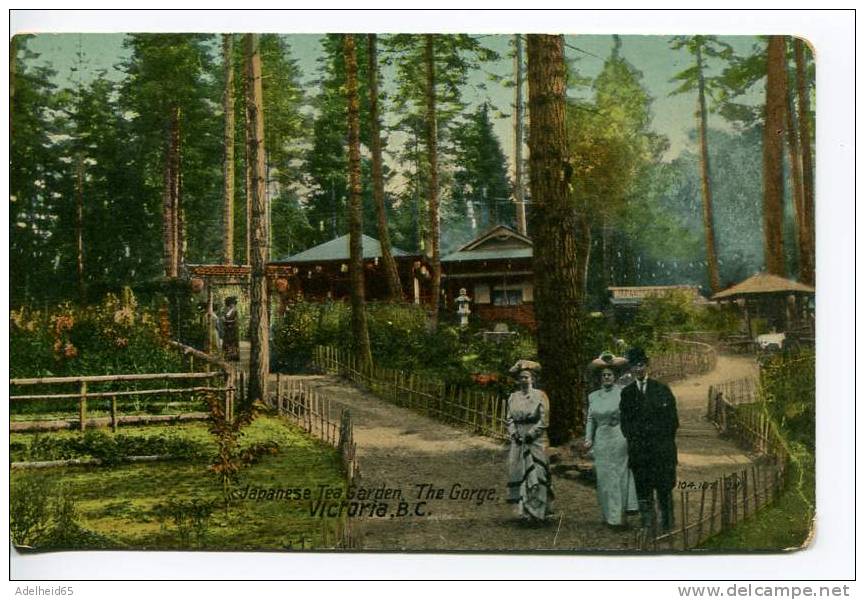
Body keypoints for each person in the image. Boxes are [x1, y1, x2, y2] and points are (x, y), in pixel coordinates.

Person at [619, 347, 679, 535]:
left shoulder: (661, 390)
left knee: (663, 486)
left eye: (642, 365)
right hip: (640, 450)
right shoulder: (627, 393)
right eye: (635, 366)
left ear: (647, 366)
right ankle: (648, 523)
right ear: (631, 369)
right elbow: (625, 423)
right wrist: (635, 439)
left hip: (661, 449)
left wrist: (660, 439)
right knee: (643, 487)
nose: (639, 369)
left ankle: (667, 523)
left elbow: (673, 421)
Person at [584, 356, 639, 529]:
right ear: (600, 378)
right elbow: (590, 419)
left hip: (618, 436)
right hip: (601, 438)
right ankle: (608, 514)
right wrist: (588, 439)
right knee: (604, 476)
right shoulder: (593, 396)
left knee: (619, 474)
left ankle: (619, 516)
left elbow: (631, 414)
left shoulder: (623, 392)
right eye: (604, 375)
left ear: (615, 376)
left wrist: (626, 426)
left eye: (609, 375)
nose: (607, 377)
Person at [505, 361, 553, 523]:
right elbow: (509, 419)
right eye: (521, 378)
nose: (524, 380)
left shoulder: (540, 396)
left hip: (536, 439)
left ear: (533, 379)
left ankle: (538, 511)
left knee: (538, 472)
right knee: (519, 470)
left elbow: (544, 420)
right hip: (519, 439)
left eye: (527, 377)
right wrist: (514, 434)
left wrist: (532, 434)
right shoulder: (513, 397)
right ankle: (524, 510)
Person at [221, 296, 239, 361]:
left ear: (234, 304)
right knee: (227, 343)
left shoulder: (235, 311)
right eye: (229, 304)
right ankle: (227, 356)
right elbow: (223, 319)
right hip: (227, 330)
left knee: (232, 343)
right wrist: (224, 321)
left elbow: (236, 321)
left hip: (233, 329)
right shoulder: (227, 311)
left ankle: (233, 356)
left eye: (232, 304)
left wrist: (227, 321)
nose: (231, 305)